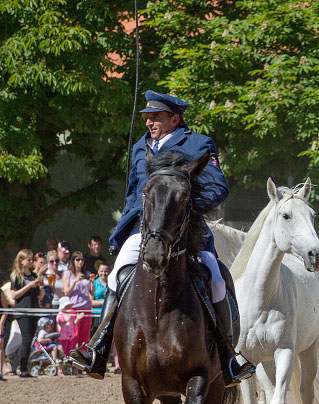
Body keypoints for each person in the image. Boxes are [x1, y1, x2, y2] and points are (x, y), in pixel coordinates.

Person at [68, 90, 254, 385]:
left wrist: (186, 210)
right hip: (144, 228)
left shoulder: (198, 144)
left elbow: (218, 189)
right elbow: (133, 193)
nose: (149, 122)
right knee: (117, 275)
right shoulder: (141, 147)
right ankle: (97, 349)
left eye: (155, 117)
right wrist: (127, 226)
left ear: (174, 118)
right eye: (146, 117)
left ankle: (229, 356)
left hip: (185, 229)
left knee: (217, 279)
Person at [8, 249, 48, 377]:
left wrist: (40, 283)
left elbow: (40, 295)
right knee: (26, 339)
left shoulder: (33, 275)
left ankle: (24, 367)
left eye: (32, 260)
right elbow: (13, 295)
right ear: (21, 260)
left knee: (30, 339)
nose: (31, 262)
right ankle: (22, 368)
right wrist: (28, 286)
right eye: (29, 260)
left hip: (33, 309)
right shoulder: (16, 276)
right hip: (22, 310)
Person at [62, 251, 93, 351]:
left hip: (86, 309)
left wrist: (92, 282)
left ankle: (81, 360)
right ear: (73, 261)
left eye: (82, 260)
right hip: (73, 309)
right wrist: (75, 281)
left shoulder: (87, 274)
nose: (80, 262)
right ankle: (70, 358)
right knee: (73, 335)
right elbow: (66, 292)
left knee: (84, 337)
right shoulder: (68, 274)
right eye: (77, 259)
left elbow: (92, 293)